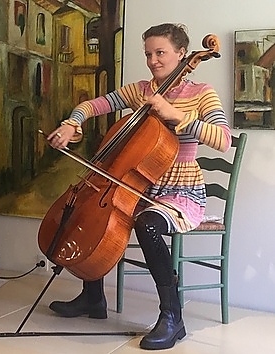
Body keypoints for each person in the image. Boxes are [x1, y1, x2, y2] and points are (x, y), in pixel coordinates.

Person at [46, 23, 231, 350]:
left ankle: (172, 317)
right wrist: (72, 121)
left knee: (148, 225)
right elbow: (94, 105)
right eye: (148, 54)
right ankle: (93, 299)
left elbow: (223, 140)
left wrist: (177, 115)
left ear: (181, 54)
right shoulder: (141, 91)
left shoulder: (202, 92)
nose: (153, 60)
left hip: (180, 191)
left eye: (161, 52)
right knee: (93, 218)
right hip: (140, 186)